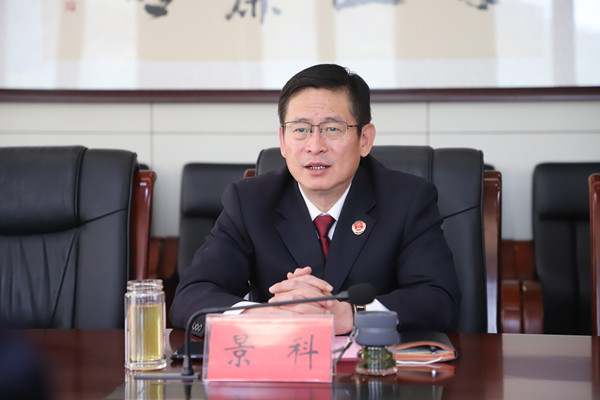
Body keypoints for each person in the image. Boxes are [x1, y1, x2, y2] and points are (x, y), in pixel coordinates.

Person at [169, 64, 461, 336]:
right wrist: (265, 315)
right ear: (283, 141)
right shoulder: (249, 202)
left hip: (373, 367)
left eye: (332, 129)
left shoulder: (407, 199)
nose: (315, 146)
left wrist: (351, 314)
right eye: (301, 130)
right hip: (282, 364)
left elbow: (439, 300)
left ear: (364, 139)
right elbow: (190, 297)